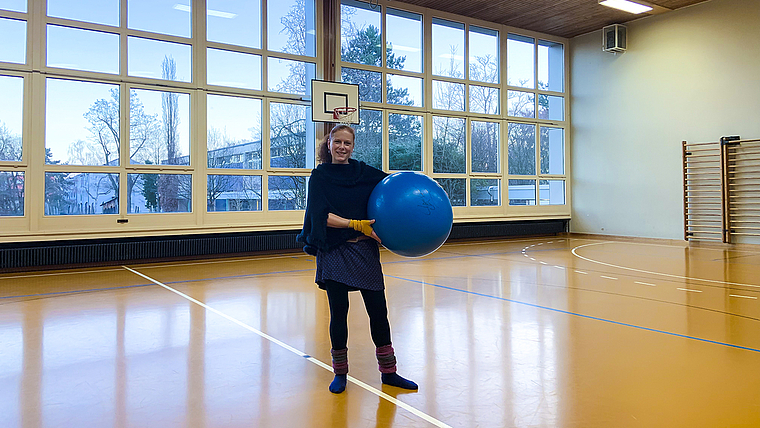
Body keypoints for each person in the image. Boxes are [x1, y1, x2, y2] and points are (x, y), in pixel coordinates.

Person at [297, 124, 418, 394]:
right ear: (328, 145)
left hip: (364, 251)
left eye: (347, 143)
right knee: (339, 314)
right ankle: (340, 373)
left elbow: (393, 187)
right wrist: (354, 224)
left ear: (353, 146)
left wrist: (417, 196)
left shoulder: (364, 173)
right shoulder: (319, 177)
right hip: (335, 250)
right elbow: (320, 217)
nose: (342, 147)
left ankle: (389, 373)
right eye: (337, 142)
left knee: (379, 313)